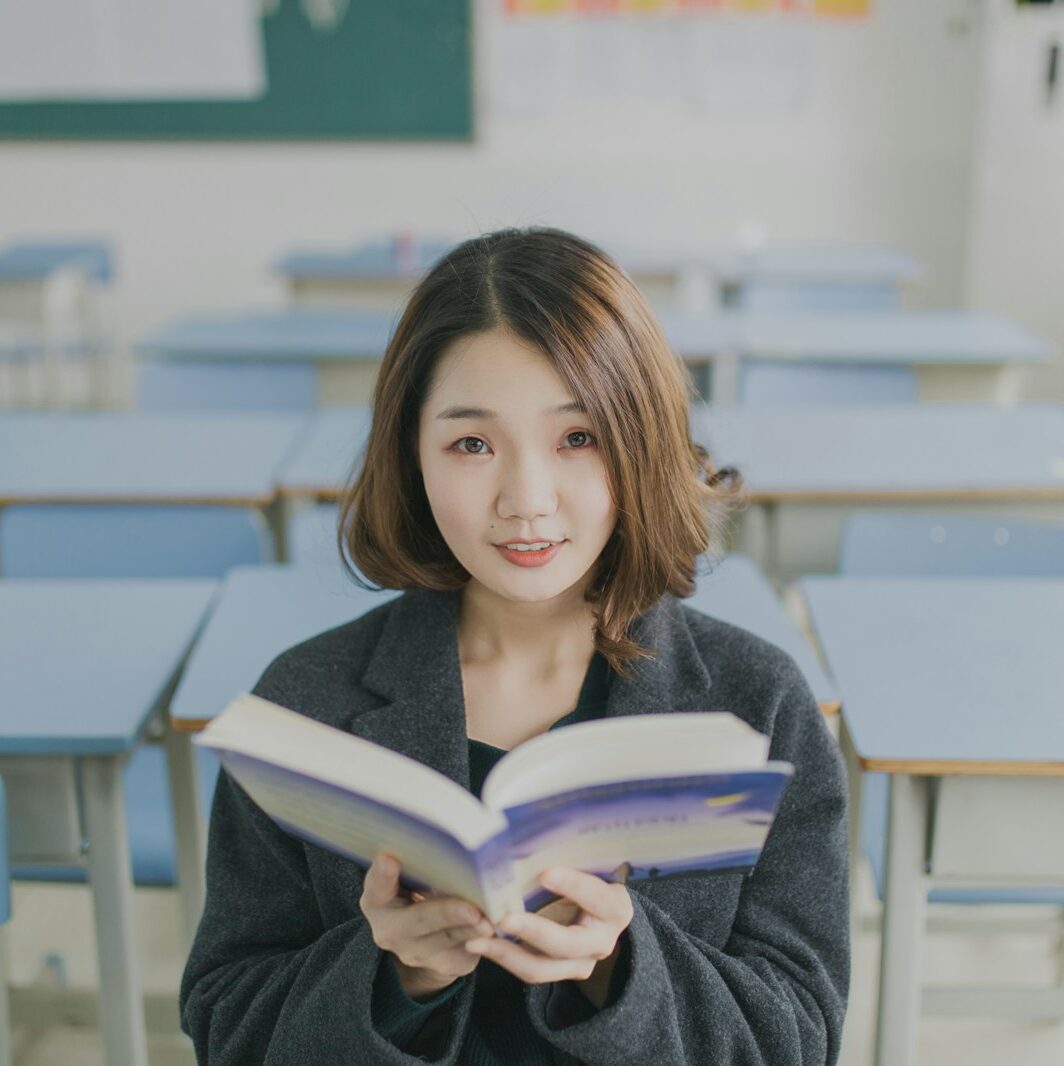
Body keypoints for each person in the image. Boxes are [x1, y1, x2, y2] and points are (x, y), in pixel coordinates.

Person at [180, 227, 849, 1064]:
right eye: (471, 444)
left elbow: (797, 1039)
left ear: (640, 444)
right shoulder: (307, 701)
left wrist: (620, 968)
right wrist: (396, 978)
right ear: (412, 457)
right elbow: (227, 1027)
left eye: (578, 438)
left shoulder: (757, 705)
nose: (527, 501)